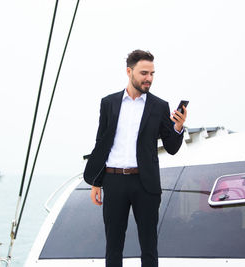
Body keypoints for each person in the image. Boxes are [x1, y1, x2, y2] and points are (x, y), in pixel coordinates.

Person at [83, 49, 187, 267]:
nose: (149, 78)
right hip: (113, 181)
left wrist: (178, 126)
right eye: (144, 73)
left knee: (149, 246)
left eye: (152, 73)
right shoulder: (108, 103)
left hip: (145, 183)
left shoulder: (159, 106)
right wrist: (96, 182)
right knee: (113, 246)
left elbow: (172, 147)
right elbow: (101, 144)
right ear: (129, 71)